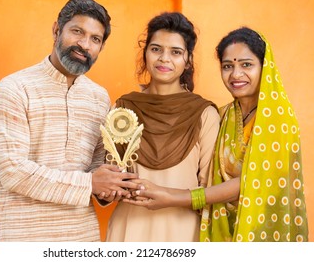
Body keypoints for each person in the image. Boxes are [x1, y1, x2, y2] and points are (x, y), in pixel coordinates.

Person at [125, 27, 309, 242]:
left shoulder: (278, 118)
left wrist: (177, 197)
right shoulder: (225, 114)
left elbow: (254, 181)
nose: (236, 74)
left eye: (246, 65)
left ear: (265, 67)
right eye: (228, 66)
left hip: (260, 228)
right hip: (222, 231)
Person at [0, 0, 139, 242]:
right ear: (57, 29)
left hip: (80, 238)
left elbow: (95, 169)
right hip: (21, 237)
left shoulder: (99, 97)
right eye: (77, 31)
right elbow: (12, 170)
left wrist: (111, 186)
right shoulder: (15, 88)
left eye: (95, 39)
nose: (84, 44)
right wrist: (90, 183)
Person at [104, 12, 220, 242]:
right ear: (145, 53)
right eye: (156, 49)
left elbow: (211, 190)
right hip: (128, 230)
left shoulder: (204, 114)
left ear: (187, 60)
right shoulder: (123, 108)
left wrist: (171, 197)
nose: (164, 58)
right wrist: (113, 187)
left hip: (183, 233)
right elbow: (111, 174)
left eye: (175, 52)